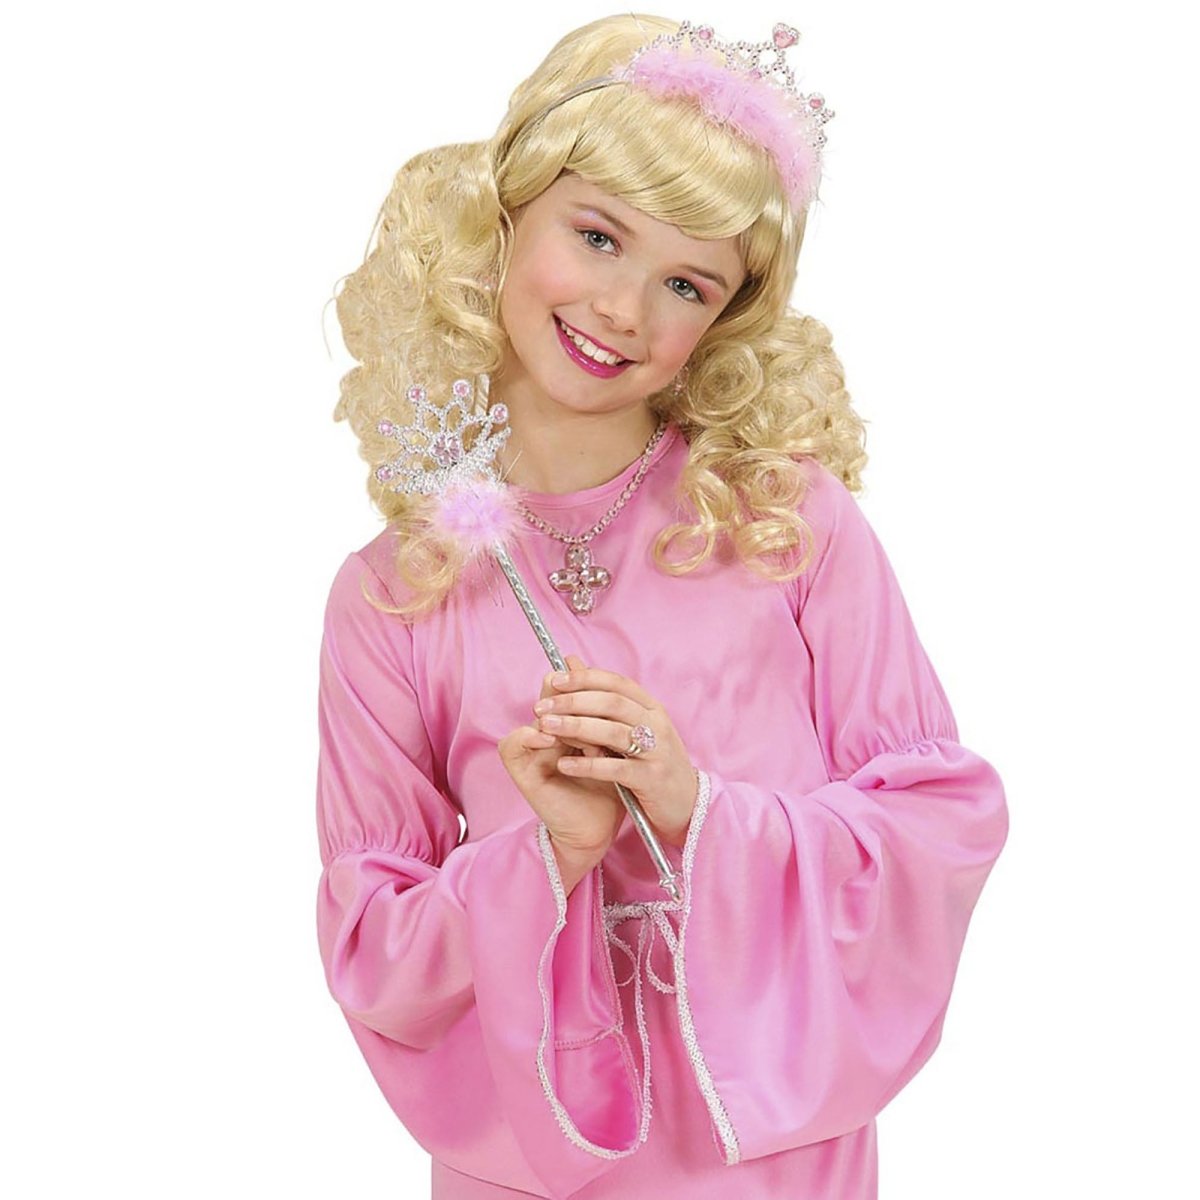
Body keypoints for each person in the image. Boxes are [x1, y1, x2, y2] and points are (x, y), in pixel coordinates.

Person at [315, 14, 1008, 1200]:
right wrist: (550, 856)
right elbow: (374, 949)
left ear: (722, 319)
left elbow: (940, 820)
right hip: (539, 1162)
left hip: (773, 1153)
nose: (624, 311)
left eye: (686, 282)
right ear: (504, 215)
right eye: (597, 236)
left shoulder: (784, 523)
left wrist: (698, 810)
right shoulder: (395, 596)